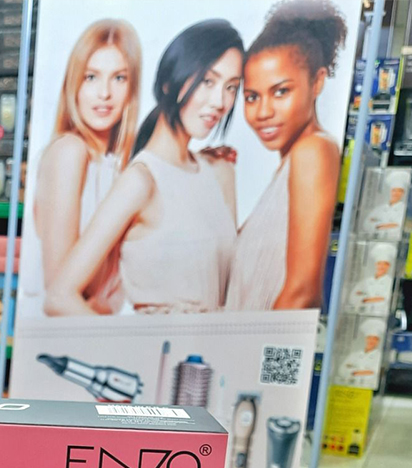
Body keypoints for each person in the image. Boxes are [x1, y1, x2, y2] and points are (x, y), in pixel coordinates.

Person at [46, 20, 242, 315]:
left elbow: (231, 285)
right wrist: (124, 343)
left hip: (221, 342)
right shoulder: (140, 180)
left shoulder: (220, 172)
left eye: (231, 87)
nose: (220, 101)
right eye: (208, 81)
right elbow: (59, 296)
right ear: (169, 82)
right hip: (160, 343)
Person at [226, 0, 348, 311]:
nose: (263, 112)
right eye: (252, 97)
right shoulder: (289, 167)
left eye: (281, 91)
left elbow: (302, 293)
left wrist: (260, 354)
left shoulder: (313, 151)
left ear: (317, 82)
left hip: (265, 344)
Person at [30, 20, 141, 312]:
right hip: (66, 332)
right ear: (74, 84)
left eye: (119, 78)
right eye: (91, 77)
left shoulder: (119, 166)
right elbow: (58, 297)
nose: (105, 93)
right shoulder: (70, 151)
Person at [346, 242, 396, 312]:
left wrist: (364, 298)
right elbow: (353, 298)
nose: (382, 267)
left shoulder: (391, 282)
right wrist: (373, 299)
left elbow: (386, 300)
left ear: (389, 266)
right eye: (379, 264)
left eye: (385, 264)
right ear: (376, 265)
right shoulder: (366, 281)